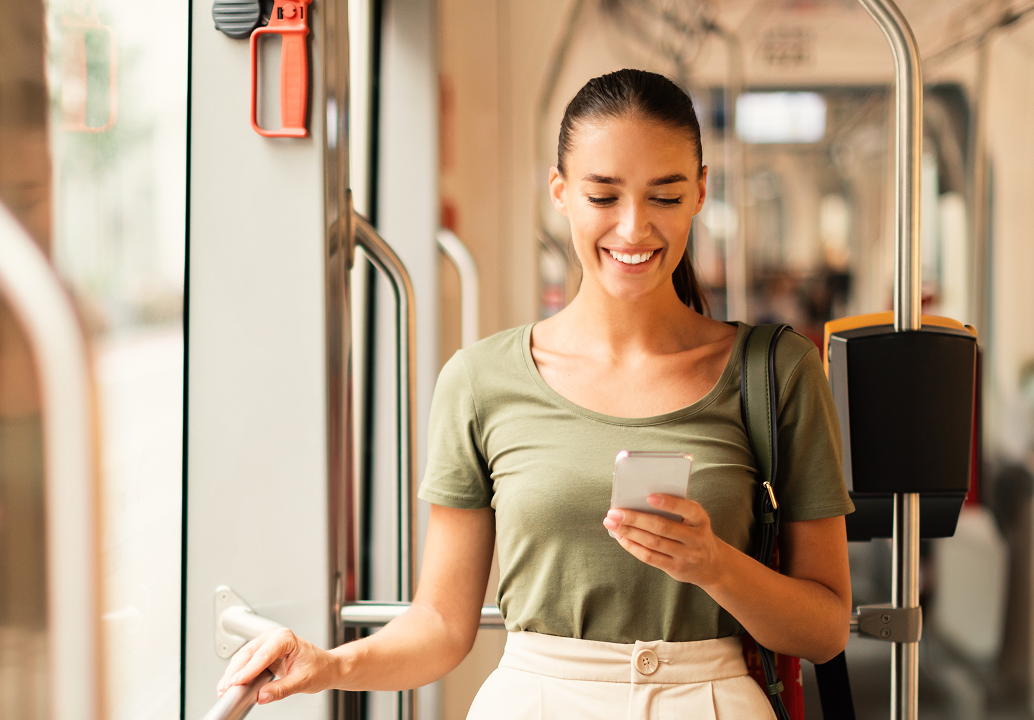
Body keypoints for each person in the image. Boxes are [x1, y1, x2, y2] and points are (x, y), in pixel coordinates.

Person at [216, 68, 854, 719]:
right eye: (603, 196)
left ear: (700, 192)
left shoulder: (778, 372)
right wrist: (332, 665)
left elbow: (827, 628)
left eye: (664, 197)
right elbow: (442, 623)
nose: (634, 227)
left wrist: (714, 564)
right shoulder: (481, 380)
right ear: (560, 192)